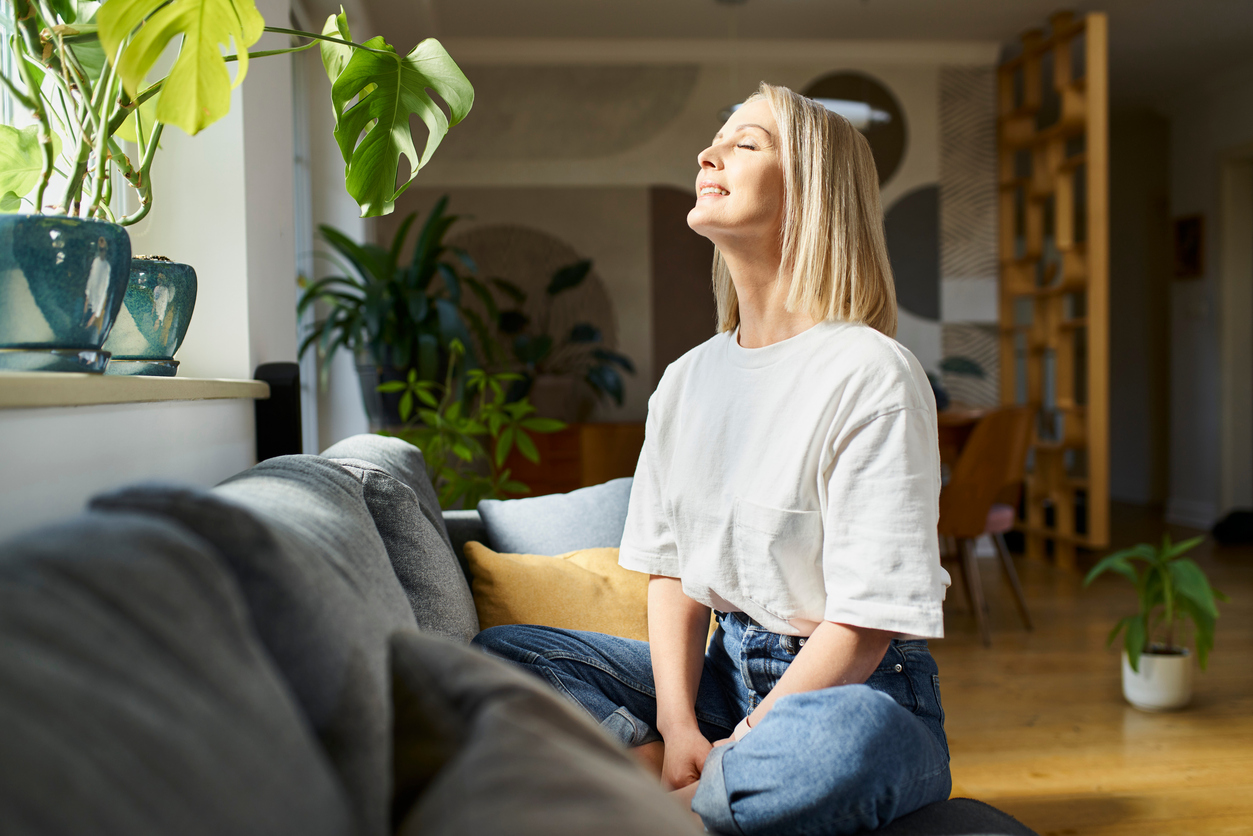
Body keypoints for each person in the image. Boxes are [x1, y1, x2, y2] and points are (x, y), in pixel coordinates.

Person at [473, 82, 952, 835]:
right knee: (501, 653)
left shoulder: (872, 373)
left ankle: (646, 808)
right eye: (714, 138)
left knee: (850, 739)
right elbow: (672, 572)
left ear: (811, 193)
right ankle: (682, 788)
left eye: (745, 143)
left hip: (853, 688)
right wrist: (679, 727)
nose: (707, 154)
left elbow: (864, 624)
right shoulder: (687, 379)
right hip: (720, 677)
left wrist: (753, 739)